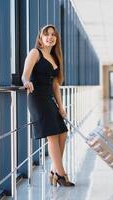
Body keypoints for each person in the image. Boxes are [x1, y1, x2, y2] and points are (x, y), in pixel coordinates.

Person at [22, 24, 75, 187]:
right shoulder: (35, 53)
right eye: (46, 34)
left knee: (63, 133)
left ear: (56, 38)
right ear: (40, 37)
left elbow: (55, 85)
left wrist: (61, 106)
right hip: (38, 99)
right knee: (52, 135)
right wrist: (26, 82)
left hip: (50, 99)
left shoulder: (55, 57)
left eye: (53, 34)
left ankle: (54, 170)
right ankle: (61, 173)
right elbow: (25, 75)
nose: (50, 37)